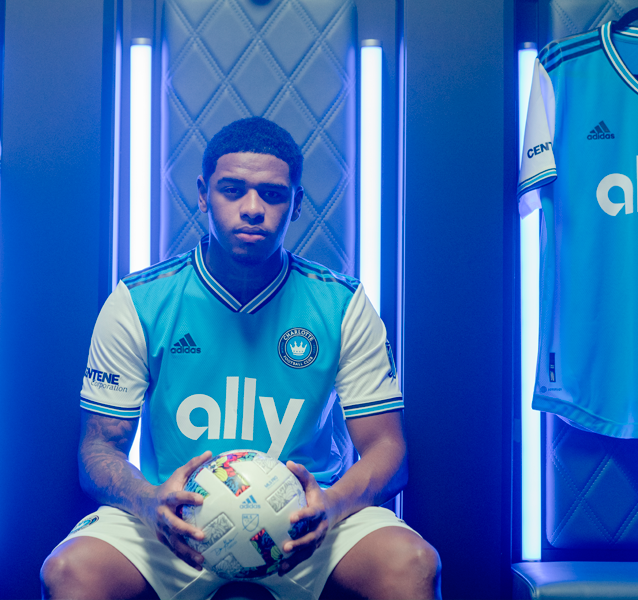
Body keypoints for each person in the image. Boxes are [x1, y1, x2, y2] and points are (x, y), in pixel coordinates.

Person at [41, 117, 441, 600]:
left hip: (307, 523)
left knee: (412, 563)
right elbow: (98, 448)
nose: (252, 209)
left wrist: (332, 506)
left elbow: (387, 449)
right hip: (176, 520)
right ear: (203, 194)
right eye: (232, 190)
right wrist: (149, 502)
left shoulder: (342, 303)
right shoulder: (139, 301)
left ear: (296, 204)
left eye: (272, 194)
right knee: (70, 570)